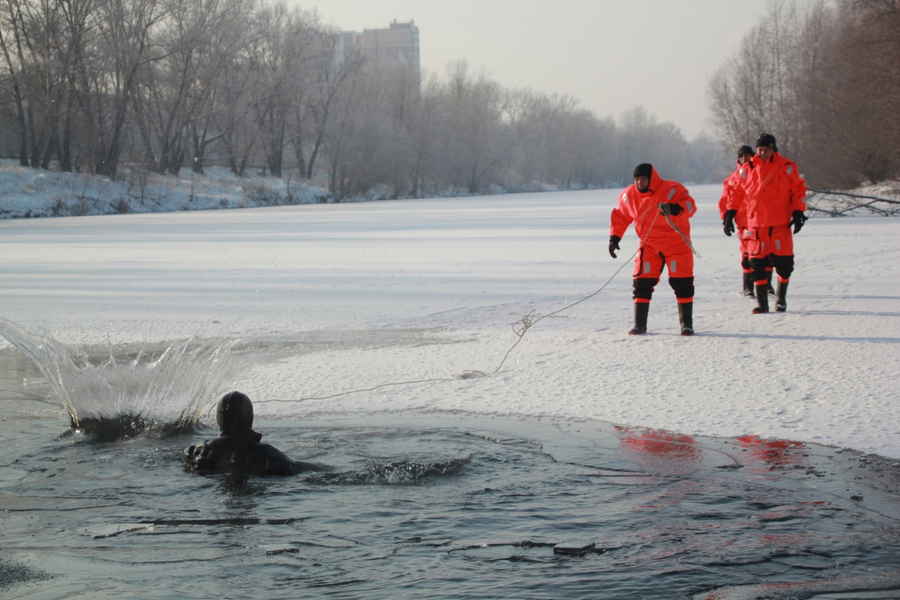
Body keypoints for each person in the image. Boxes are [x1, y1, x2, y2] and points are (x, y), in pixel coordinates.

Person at [609, 163, 698, 335]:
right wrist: (615, 237)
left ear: (651, 179)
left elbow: (690, 206)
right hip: (649, 246)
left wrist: (675, 209)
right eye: (636, 179)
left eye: (643, 179)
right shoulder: (629, 195)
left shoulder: (672, 189)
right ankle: (639, 325)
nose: (639, 183)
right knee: (642, 282)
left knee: (683, 284)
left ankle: (686, 324)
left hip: (676, 244)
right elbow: (621, 215)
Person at [723, 133, 807, 313]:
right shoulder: (747, 168)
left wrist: (798, 210)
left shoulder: (786, 167)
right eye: (759, 149)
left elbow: (797, 190)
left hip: (780, 224)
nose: (762, 152)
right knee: (757, 264)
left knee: (784, 265)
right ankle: (762, 303)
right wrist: (730, 212)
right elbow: (736, 191)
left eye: (765, 149)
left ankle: (781, 298)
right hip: (756, 224)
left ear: (773, 149)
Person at [184, 391, 330, 476]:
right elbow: (294, 468)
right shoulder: (264, 452)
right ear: (249, 417)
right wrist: (325, 468)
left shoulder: (199, 450)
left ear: (219, 418)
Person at [718, 145, 773, 297]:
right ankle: (748, 286)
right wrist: (726, 218)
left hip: (761, 219)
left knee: (766, 252)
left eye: (748, 156)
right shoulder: (731, 179)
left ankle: (767, 284)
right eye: (742, 156)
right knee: (747, 253)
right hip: (743, 221)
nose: (746, 159)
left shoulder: (759, 173)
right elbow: (725, 200)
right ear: (739, 158)